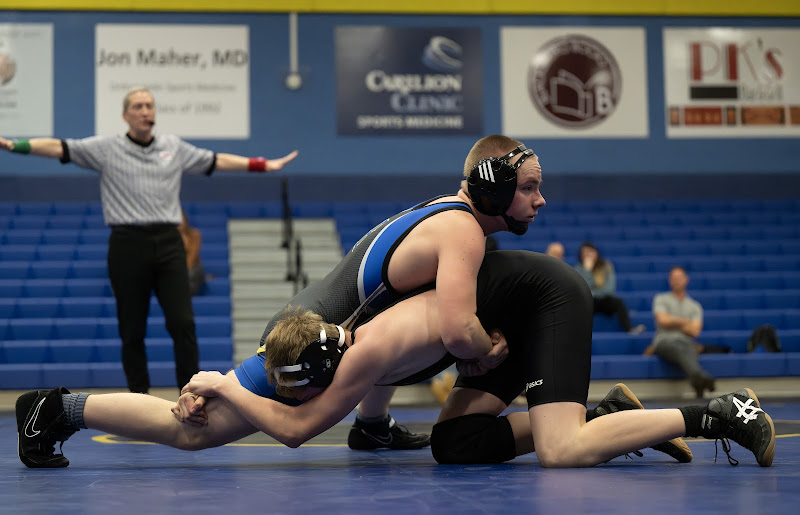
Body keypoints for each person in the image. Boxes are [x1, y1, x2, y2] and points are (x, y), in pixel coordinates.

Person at [20, 251, 768, 472]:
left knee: (558, 450)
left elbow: (290, 426)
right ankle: (60, 407)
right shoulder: (317, 333)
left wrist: (216, 383)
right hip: (447, 328)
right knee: (455, 444)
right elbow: (285, 376)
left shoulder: (362, 345)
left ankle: (711, 413)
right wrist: (218, 385)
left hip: (524, 319)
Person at [0, 87, 298, 393]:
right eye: (138, 106)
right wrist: (13, 145)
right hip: (127, 243)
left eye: (149, 106)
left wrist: (262, 165)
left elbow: (216, 160)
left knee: (182, 324)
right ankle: (138, 397)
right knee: (132, 330)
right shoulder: (106, 148)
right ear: (125, 115)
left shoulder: (173, 147)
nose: (145, 111)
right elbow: (58, 147)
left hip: (169, 242)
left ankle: (191, 394)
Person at [646, 266, 716, 398]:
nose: (676, 280)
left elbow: (695, 331)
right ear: (669, 280)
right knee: (679, 346)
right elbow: (662, 320)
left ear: (686, 280)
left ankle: (697, 378)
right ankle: (700, 375)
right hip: (664, 342)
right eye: (674, 278)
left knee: (688, 345)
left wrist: (673, 321)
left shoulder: (694, 305)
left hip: (686, 343)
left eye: (679, 278)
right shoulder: (661, 298)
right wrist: (685, 322)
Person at [574, 241, 645, 335]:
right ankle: (578, 335)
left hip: (605, 300)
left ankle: (629, 329)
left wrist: (594, 293)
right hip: (589, 302)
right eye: (585, 253)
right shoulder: (578, 269)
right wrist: (587, 270)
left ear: (596, 252)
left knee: (618, 302)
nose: (588, 255)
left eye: (590, 252)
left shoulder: (606, 266)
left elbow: (609, 290)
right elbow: (584, 289)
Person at [179, 209, 206, 296]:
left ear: (186, 220)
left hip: (192, 268)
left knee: (190, 274)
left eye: (181, 219)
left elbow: (192, 257)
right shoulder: (169, 237)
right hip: (177, 269)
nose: (179, 223)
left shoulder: (195, 234)